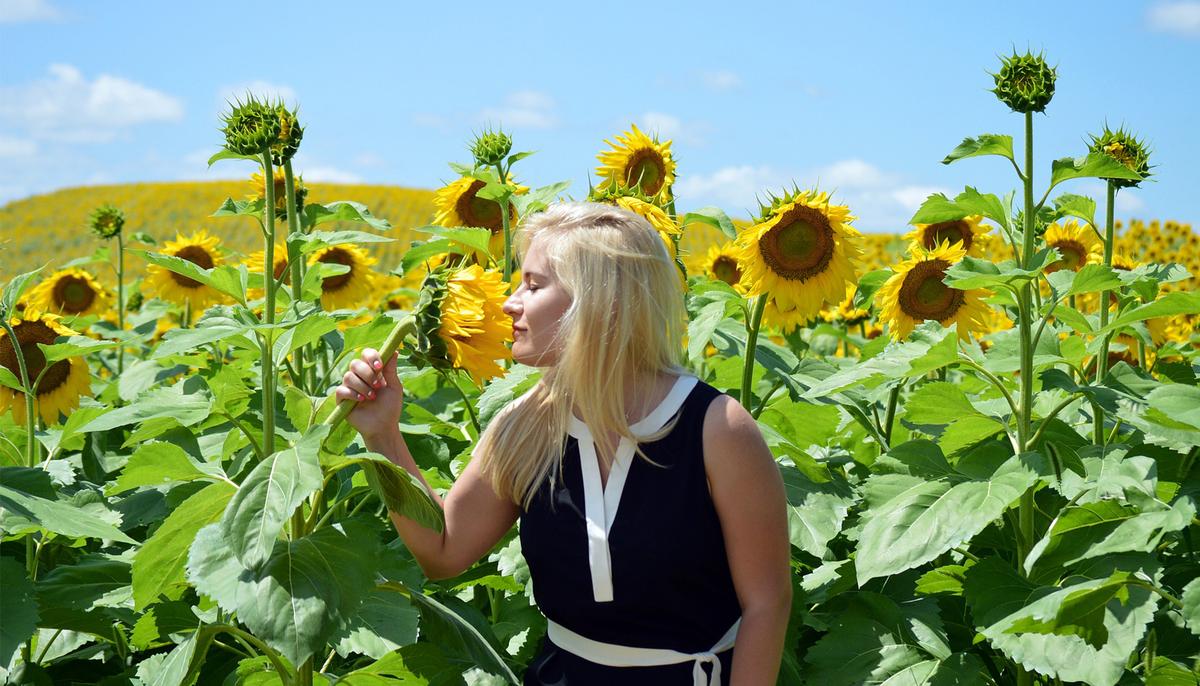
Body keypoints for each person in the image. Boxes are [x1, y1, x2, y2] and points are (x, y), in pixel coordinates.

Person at [336, 202, 791, 685]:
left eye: (533, 285)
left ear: (601, 301)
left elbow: (766, 603)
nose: (511, 302)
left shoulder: (717, 429)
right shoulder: (526, 423)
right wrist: (383, 435)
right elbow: (444, 550)